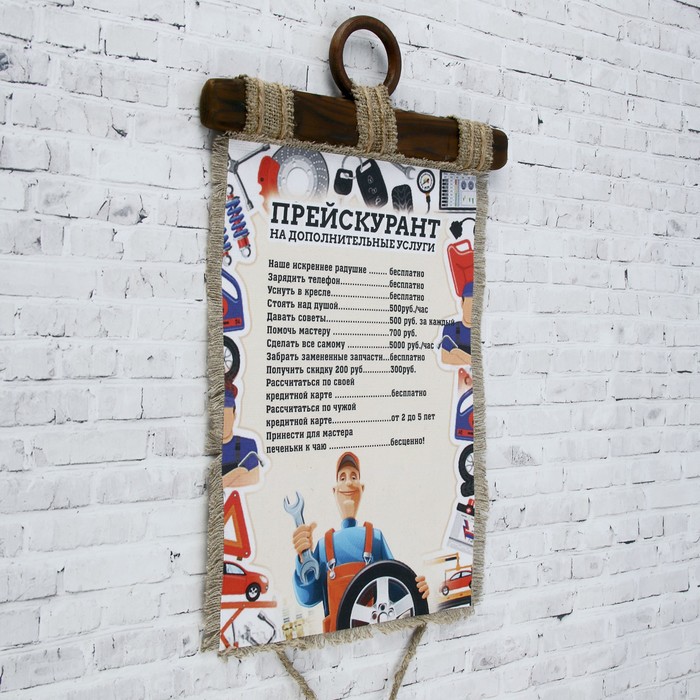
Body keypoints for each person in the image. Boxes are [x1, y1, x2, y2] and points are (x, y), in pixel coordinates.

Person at [291, 452, 429, 632]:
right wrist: (303, 559)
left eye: (354, 477)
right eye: (342, 478)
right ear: (334, 490)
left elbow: (397, 585)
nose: (348, 483)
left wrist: (417, 590)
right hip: (337, 640)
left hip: (376, 637)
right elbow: (307, 598)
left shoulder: (375, 538)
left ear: (362, 488)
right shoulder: (324, 545)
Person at [440, 281, 473, 366]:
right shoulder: (450, 329)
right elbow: (445, 358)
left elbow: (480, 362)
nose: (471, 310)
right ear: (462, 303)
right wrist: (471, 359)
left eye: (474, 306)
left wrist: (458, 352)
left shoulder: (483, 332)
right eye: (469, 304)